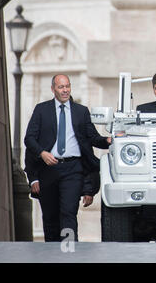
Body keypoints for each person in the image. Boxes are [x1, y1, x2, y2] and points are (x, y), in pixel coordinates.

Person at [24, 74, 111, 242]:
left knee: (68, 212)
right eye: (61, 87)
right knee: (50, 216)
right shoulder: (41, 110)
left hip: (73, 169)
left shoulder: (81, 111)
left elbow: (93, 138)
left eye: (67, 86)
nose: (65, 90)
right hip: (48, 168)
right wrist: (42, 154)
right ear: (53, 89)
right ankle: (53, 255)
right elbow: (29, 139)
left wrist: (108, 141)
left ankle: (69, 252)